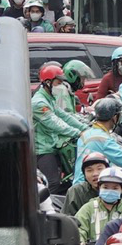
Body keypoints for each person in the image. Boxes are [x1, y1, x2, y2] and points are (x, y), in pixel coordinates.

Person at [32, 62, 89, 194]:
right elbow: (56, 123)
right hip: (42, 149)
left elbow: (65, 116)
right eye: (58, 83)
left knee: (67, 178)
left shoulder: (49, 98)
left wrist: (86, 128)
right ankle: (47, 209)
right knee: (52, 182)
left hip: (52, 144)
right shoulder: (39, 103)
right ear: (47, 82)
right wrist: (78, 133)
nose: (60, 86)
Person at [77, 166, 122, 245]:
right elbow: (79, 229)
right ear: (99, 187)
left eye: (115, 188)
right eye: (105, 187)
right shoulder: (88, 208)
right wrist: (80, 241)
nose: (110, 191)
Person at [64, 151, 110, 217]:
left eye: (99, 169)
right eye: (89, 170)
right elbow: (67, 220)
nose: (95, 174)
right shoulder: (76, 192)